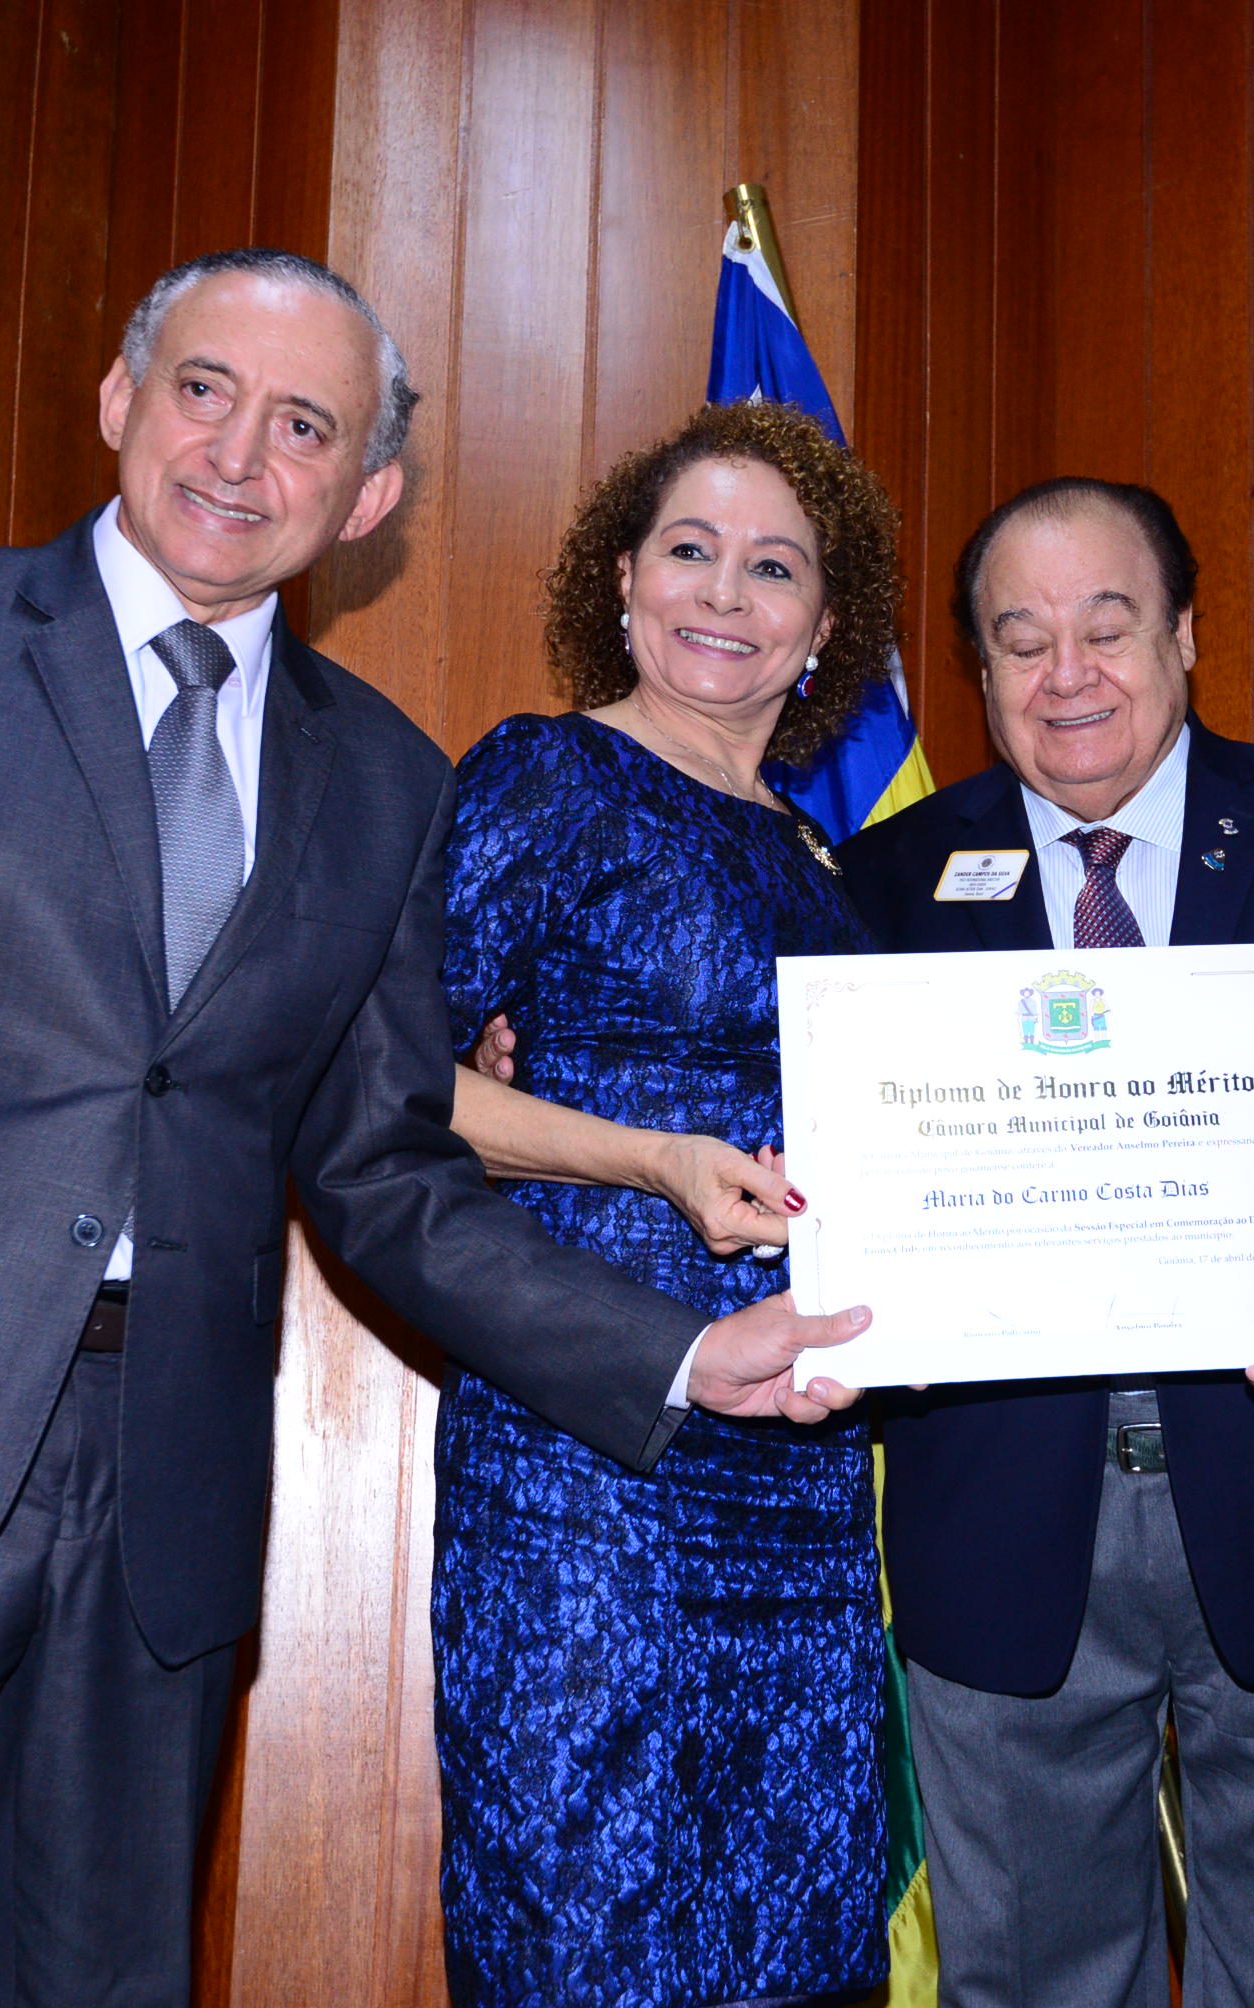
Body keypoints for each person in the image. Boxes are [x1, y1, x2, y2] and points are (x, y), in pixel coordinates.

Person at [0, 249, 866, 2008]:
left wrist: (681, 1353)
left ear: (370, 495)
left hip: (163, 1524)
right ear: (123, 402)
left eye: (308, 426)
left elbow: (383, 1170)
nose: (243, 455)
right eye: (205, 392)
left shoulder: (385, 778)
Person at [831, 477, 1254, 2008]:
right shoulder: (880, 885)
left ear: (1184, 635)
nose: (1068, 674)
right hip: (1003, 1531)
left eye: (1108, 628)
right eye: (1022, 640)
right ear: (979, 674)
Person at [426, 399, 901, 2008]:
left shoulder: (825, 863)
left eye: (775, 567)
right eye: (690, 550)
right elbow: (391, 1091)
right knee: (589, 1920)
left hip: (801, 1459)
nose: (724, 592)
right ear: (622, 581)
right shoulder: (545, 776)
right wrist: (647, 1157)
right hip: (588, 1449)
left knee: (794, 1931)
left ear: (823, 631)